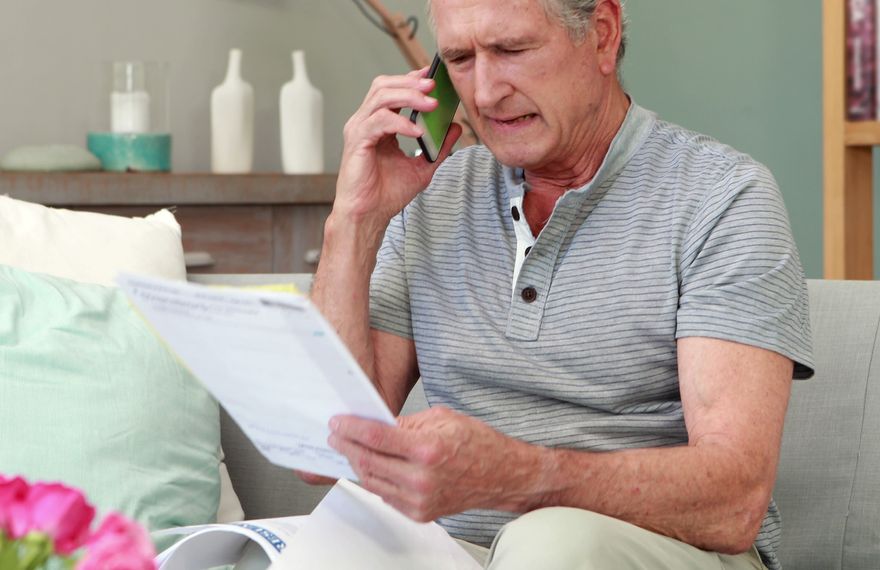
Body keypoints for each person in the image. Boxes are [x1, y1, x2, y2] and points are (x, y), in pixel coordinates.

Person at [305, 0, 814, 568]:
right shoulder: (434, 197)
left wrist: (516, 477)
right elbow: (321, 453)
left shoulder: (721, 198)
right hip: (452, 555)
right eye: (460, 60)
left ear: (601, 34)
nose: (486, 92)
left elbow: (734, 501)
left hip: (655, 550)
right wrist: (353, 220)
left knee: (549, 547)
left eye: (511, 50)